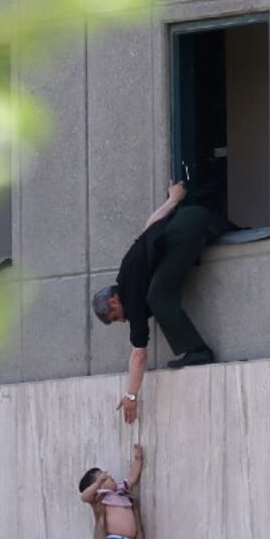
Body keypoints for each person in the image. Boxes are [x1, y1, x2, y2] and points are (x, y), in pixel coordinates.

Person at [91, 182, 231, 424]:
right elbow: (150, 225)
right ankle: (196, 351)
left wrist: (131, 396)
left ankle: (198, 351)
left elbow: (139, 355)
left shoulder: (132, 297)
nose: (122, 320)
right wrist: (173, 200)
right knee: (156, 294)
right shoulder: (128, 271)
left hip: (189, 227)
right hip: (193, 218)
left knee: (157, 297)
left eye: (116, 316)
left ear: (114, 300)